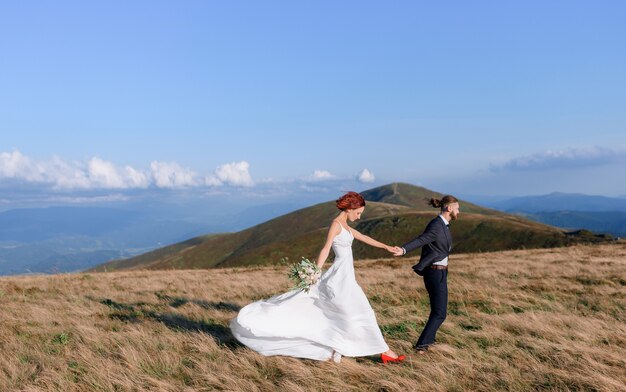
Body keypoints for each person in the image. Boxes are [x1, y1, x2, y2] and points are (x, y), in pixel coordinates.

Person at [231, 191, 405, 364]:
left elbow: (364, 237)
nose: (359, 217)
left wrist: (387, 247)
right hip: (339, 279)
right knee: (359, 313)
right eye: (358, 213)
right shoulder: (336, 225)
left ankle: (361, 349)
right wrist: (315, 272)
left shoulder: (346, 226)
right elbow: (325, 249)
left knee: (356, 313)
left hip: (347, 277)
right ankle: (385, 352)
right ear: (349, 209)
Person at [393, 195, 460, 353]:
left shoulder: (443, 225)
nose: (459, 211)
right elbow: (422, 239)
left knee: (439, 311)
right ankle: (422, 345)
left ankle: (428, 342)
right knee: (439, 312)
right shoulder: (437, 225)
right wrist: (403, 249)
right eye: (457, 208)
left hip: (440, 272)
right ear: (449, 208)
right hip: (435, 273)